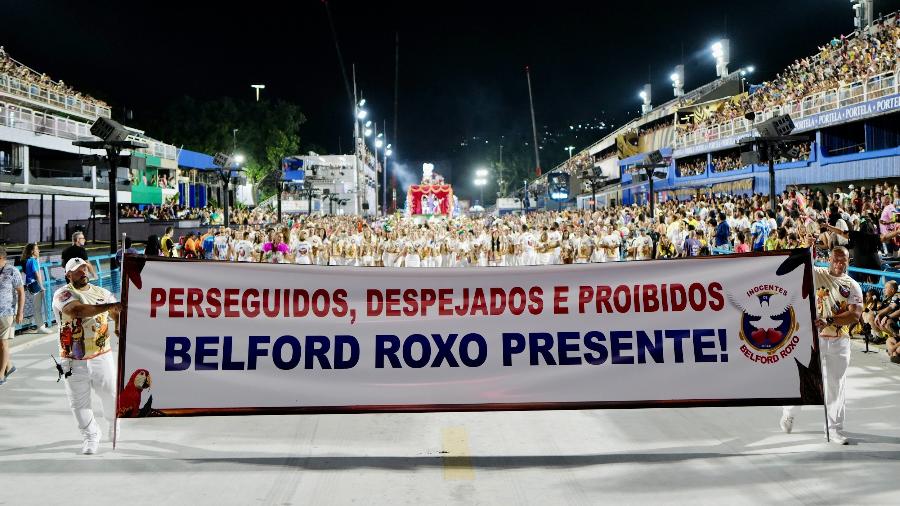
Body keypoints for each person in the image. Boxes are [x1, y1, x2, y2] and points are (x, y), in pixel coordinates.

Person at [781, 246, 862, 445]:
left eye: (843, 260)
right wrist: (809, 247)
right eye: (835, 259)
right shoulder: (817, 274)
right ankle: (789, 412)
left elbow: (855, 315)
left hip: (840, 342)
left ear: (848, 262)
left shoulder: (852, 285)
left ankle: (834, 430)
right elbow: (799, 263)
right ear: (829, 259)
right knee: (805, 380)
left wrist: (830, 320)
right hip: (813, 340)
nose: (839, 263)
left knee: (837, 386)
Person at [52, 257, 122, 455]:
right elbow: (76, 311)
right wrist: (108, 307)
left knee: (110, 395)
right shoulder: (63, 294)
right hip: (72, 359)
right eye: (77, 270)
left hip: (101, 355)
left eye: (84, 268)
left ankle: (113, 423)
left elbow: (116, 311)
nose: (83, 272)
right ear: (68, 275)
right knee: (78, 402)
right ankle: (91, 435)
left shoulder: (102, 293)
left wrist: (117, 323)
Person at [0, 247, 25, 386]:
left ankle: (1, 374)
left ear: (1, 258)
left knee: (3, 343)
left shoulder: (12, 271)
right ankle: (9, 366)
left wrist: (20, 312)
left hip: (6, 313)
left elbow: (21, 292)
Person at [22, 243, 52, 333]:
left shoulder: (28, 261)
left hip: (31, 285)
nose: (38, 251)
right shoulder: (33, 261)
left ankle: (41, 326)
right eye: (37, 249)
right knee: (37, 307)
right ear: (32, 251)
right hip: (35, 286)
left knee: (37, 307)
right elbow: (36, 274)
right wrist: (41, 286)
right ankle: (41, 327)